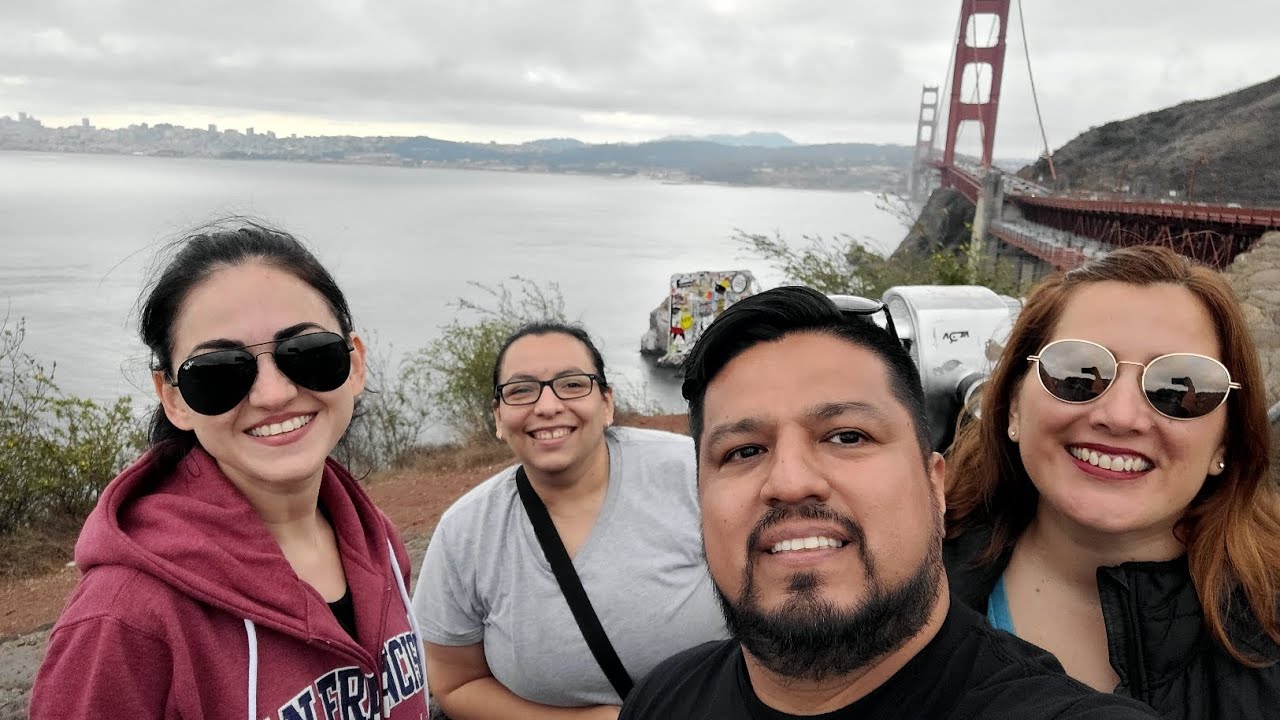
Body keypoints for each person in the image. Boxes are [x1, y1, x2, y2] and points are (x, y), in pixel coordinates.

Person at [621, 286, 1158, 719]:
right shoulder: (663, 699)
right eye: (743, 450)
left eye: (847, 436)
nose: (788, 481)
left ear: (934, 486)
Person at [30, 221, 429, 720]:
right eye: (219, 371)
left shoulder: (377, 542)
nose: (273, 394)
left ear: (356, 363)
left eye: (307, 353)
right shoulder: (125, 617)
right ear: (173, 398)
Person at [945, 245, 1280, 719]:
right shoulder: (905, 576)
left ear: (1225, 441)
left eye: (1178, 387)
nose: (1121, 417)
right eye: (1077, 373)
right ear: (1015, 406)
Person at [412, 322, 727, 719]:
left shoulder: (691, 472)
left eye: (573, 384)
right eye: (521, 390)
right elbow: (454, 682)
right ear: (497, 417)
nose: (546, 406)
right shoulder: (465, 532)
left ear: (606, 403)